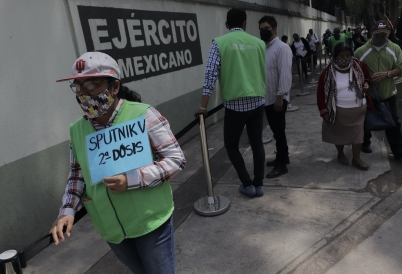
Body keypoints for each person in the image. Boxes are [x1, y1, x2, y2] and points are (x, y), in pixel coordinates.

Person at [50, 51, 186, 273]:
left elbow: (175, 159)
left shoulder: (144, 115)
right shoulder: (77, 130)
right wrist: (67, 210)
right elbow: (77, 174)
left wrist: (131, 179)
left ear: (114, 87)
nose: (83, 93)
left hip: (151, 224)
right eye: (78, 86)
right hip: (111, 229)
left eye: (91, 84)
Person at [194, 7, 266, 198]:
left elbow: (210, 74)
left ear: (227, 25)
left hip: (235, 106)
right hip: (258, 102)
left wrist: (203, 106)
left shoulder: (220, 43)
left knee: (232, 146)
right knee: (257, 143)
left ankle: (247, 184)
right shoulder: (259, 43)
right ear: (245, 23)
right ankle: (259, 185)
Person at [317, 43, 374, 170]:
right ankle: (341, 153)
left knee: (359, 135)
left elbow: (367, 77)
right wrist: (324, 110)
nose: (345, 58)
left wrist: (366, 83)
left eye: (348, 55)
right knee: (339, 134)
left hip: (359, 110)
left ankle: (356, 158)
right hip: (338, 112)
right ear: (335, 56)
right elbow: (320, 94)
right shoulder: (327, 73)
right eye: (342, 55)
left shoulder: (359, 66)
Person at [354, 20, 402, 159]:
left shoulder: (395, 49)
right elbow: (354, 72)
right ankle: (365, 143)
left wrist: (387, 74)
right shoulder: (360, 52)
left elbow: (400, 67)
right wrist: (364, 83)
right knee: (365, 121)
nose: (381, 37)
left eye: (384, 34)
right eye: (378, 34)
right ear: (371, 34)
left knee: (393, 122)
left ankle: (398, 150)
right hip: (368, 95)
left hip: (389, 94)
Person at [259, 15, 292, 178]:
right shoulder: (266, 48)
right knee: (276, 130)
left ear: (274, 29)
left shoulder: (282, 48)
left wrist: (281, 97)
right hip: (268, 98)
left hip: (277, 99)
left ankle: (281, 165)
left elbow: (285, 74)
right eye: (261, 29)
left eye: (266, 28)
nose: (263, 31)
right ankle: (282, 157)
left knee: (279, 131)